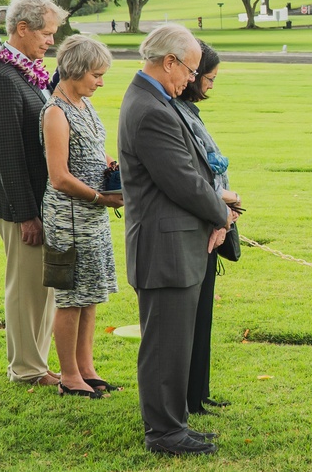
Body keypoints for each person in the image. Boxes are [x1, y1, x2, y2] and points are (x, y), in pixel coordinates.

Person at [118, 23, 237, 456]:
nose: (191, 78)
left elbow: (193, 173)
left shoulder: (157, 99)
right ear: (168, 61)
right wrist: (222, 211)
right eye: (188, 69)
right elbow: (183, 181)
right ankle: (165, 433)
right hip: (164, 246)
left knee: (175, 341)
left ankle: (175, 423)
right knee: (164, 345)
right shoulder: (150, 109)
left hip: (176, 241)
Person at [0, 0, 68, 386]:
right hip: (18, 203)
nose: (51, 41)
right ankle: (27, 369)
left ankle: (37, 363)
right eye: (46, 33)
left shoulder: (25, 71)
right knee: (26, 286)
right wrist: (27, 214)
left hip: (36, 198)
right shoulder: (1, 78)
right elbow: (7, 155)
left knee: (43, 286)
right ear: (22, 29)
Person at [40, 35, 124, 398]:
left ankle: (87, 367)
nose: (101, 82)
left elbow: (92, 151)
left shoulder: (84, 105)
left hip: (92, 217)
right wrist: (100, 197)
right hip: (69, 218)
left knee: (91, 294)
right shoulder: (56, 112)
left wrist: (109, 167)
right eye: (96, 74)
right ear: (74, 71)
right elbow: (59, 176)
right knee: (71, 297)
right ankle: (69, 376)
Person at [174, 40, 241, 415]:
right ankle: (188, 399)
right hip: (200, 223)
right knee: (190, 320)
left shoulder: (188, 110)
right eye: (209, 78)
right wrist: (221, 208)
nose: (212, 86)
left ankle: (198, 392)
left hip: (214, 217)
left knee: (203, 318)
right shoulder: (173, 110)